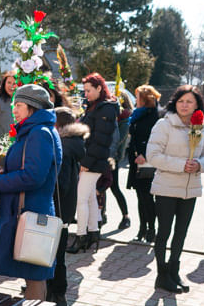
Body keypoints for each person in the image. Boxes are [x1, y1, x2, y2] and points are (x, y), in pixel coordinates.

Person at [0, 84, 61, 301]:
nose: (14, 109)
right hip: (29, 209)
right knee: (32, 273)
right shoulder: (36, 130)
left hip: (32, 212)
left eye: (18, 105)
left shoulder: (39, 133)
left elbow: (32, 176)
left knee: (34, 273)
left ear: (32, 107)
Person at [147, 85, 204, 293]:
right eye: (181, 101)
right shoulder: (164, 125)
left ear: (197, 105)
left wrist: (200, 165)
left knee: (181, 233)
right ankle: (162, 274)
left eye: (189, 102)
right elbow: (153, 155)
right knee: (164, 232)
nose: (184, 105)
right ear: (174, 103)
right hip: (166, 187)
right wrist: (181, 164)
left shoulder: (202, 127)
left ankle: (174, 271)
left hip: (190, 188)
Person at [66, 73, 117, 254]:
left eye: (88, 90)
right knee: (89, 198)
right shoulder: (97, 107)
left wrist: (86, 162)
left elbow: (100, 141)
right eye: (84, 90)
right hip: (93, 160)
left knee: (81, 199)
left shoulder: (105, 109)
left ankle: (81, 236)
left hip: (94, 162)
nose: (85, 93)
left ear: (99, 88)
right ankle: (93, 233)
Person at [46, 107, 86, 306]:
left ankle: (56, 294)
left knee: (51, 253)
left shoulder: (63, 145)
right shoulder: (75, 143)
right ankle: (56, 294)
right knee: (57, 253)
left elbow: (60, 182)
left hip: (57, 206)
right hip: (66, 207)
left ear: (58, 126)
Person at [126, 85, 161, 244]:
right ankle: (141, 228)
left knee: (147, 197)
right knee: (140, 196)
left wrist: (145, 155)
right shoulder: (137, 114)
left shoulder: (154, 116)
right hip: (136, 161)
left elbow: (156, 140)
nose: (135, 100)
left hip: (147, 162)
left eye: (138, 97)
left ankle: (151, 229)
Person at [104, 88, 133, 231]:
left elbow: (120, 139)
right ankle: (101, 214)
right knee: (101, 188)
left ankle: (126, 216)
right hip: (103, 156)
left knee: (114, 187)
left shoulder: (125, 118)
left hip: (113, 158)